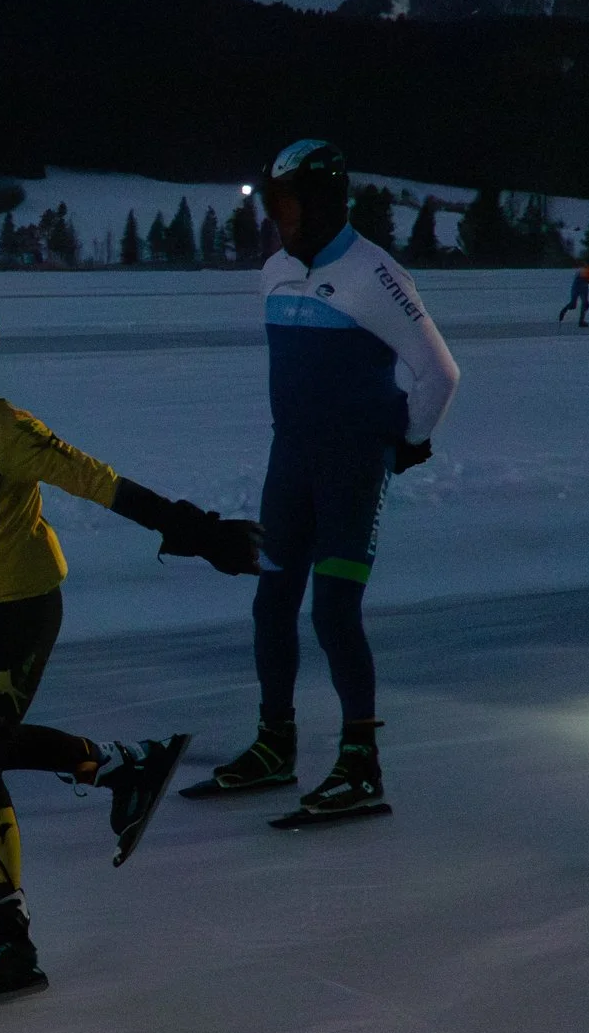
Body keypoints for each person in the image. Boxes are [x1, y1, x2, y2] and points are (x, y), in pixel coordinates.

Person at [0, 282, 260, 1016]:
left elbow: (97, 481)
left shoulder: (4, 426)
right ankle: (123, 768)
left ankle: (7, 932)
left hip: (22, 608)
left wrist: (197, 531)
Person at [182, 141, 460, 825]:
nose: (280, 218)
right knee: (271, 604)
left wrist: (410, 441)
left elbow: (441, 374)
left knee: (334, 612)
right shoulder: (275, 270)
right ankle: (276, 744)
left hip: (351, 469)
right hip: (291, 463)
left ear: (327, 202)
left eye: (290, 204)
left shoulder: (375, 272)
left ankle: (361, 765)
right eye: (274, 205)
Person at [559, 262, 589, 327]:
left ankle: (580, 321)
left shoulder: (588, 270)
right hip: (580, 287)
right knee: (578, 304)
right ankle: (580, 320)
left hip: (579, 287)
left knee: (579, 304)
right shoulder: (587, 270)